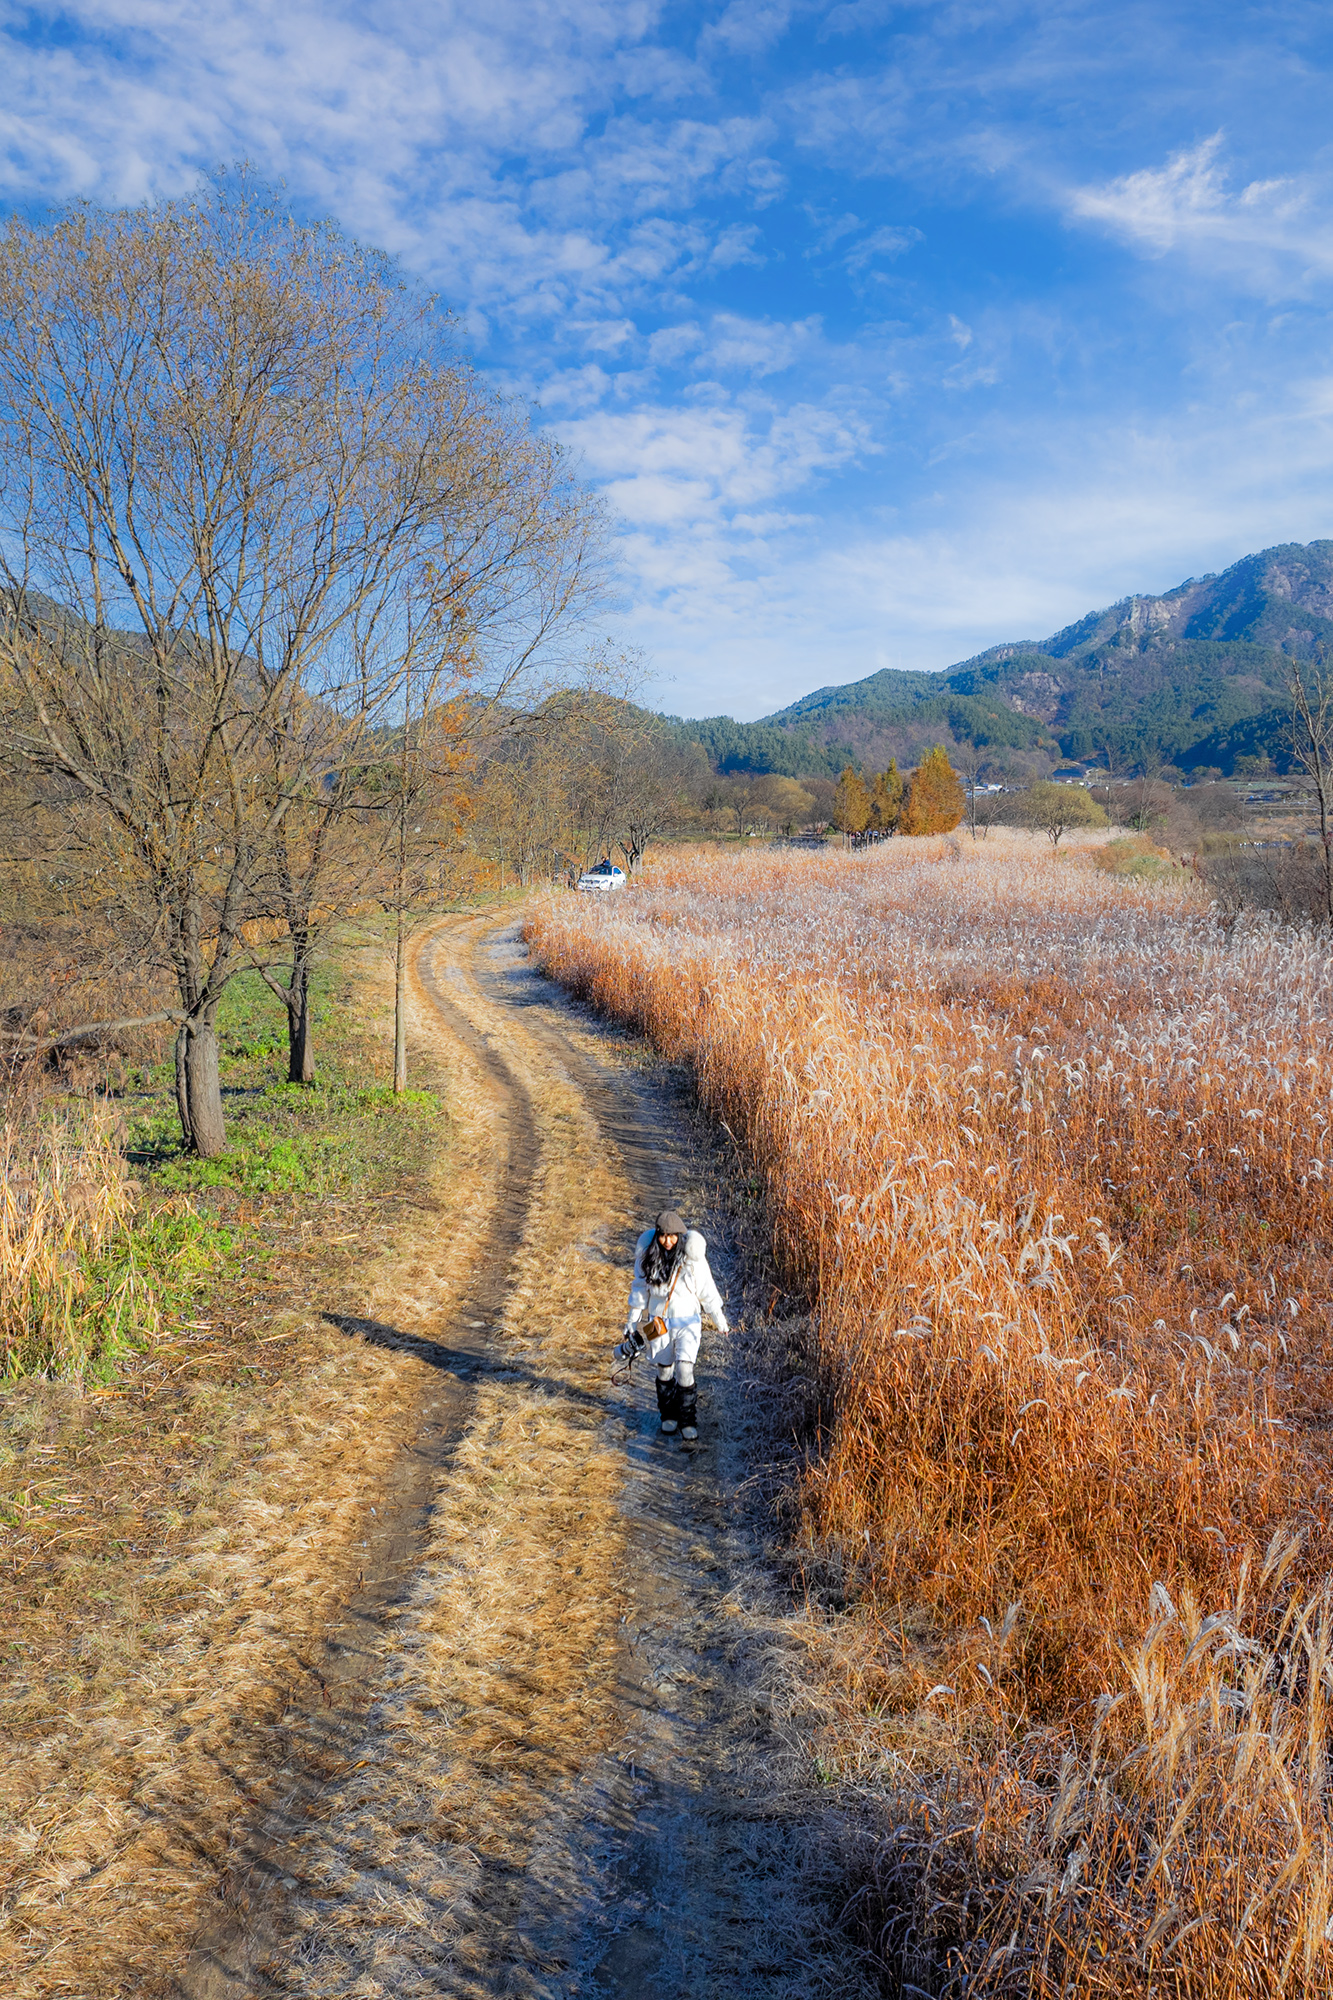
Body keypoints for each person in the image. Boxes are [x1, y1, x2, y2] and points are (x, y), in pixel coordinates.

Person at [613, 1208, 729, 1440]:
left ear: (680, 1235)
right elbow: (639, 1290)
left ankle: (688, 1421)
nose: (668, 1241)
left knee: (685, 1369)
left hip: (688, 1322)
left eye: (672, 1236)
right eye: (663, 1236)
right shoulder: (647, 1258)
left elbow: (707, 1289)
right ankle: (668, 1416)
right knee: (664, 1370)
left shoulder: (692, 1259)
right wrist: (632, 1321)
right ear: (657, 1235)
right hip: (658, 1322)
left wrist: (719, 1320)